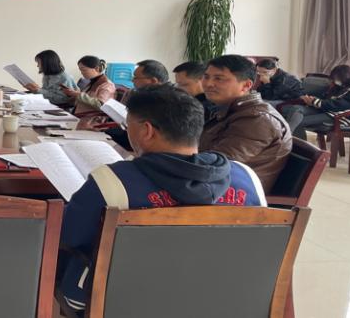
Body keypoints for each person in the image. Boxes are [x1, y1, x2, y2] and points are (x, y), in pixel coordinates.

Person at [57, 85, 266, 316]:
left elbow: (68, 235)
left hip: (121, 301)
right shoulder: (246, 176)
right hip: (226, 300)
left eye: (128, 125)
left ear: (147, 131)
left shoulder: (113, 181)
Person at [199, 55, 292, 191]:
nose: (208, 84)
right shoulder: (233, 110)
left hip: (234, 194)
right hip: (215, 186)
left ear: (246, 85)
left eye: (219, 78)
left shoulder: (257, 119)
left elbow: (216, 165)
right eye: (206, 77)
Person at [284, 65, 350, 140]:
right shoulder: (342, 86)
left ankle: (290, 142)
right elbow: (329, 100)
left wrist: (314, 102)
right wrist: (312, 100)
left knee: (298, 122)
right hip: (328, 110)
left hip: (339, 116)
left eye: (335, 79)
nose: (334, 81)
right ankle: (287, 139)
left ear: (344, 77)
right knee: (296, 109)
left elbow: (340, 105)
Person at [104, 59, 170, 150]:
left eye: (135, 77)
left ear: (153, 81)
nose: (132, 80)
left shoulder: (168, 101)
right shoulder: (137, 93)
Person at [62, 56, 116, 130]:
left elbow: (101, 105)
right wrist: (72, 94)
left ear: (97, 69)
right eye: (80, 70)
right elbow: (86, 98)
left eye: (84, 70)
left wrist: (78, 95)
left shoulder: (107, 85)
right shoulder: (92, 82)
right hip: (81, 117)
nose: (82, 73)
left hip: (91, 121)